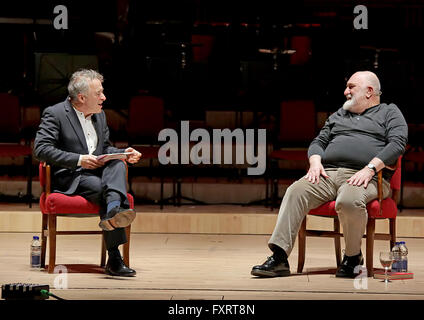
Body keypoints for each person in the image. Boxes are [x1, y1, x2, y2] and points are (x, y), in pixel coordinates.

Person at [251, 71, 408, 278]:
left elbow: (397, 144)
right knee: (295, 191)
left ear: (369, 91)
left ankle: (352, 258)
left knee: (349, 200)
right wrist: (315, 161)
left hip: (367, 176)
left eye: (351, 87)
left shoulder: (389, 112)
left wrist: (369, 168)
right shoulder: (339, 115)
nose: (346, 91)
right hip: (328, 174)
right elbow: (319, 141)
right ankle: (279, 258)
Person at [34, 69, 142, 277]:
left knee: (118, 164)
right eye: (99, 93)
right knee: (106, 190)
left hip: (98, 174)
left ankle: (112, 210)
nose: (104, 97)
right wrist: (79, 160)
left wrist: (123, 153)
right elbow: (41, 149)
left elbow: (105, 149)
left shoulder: (99, 116)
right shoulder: (55, 114)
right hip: (72, 176)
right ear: (82, 97)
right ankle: (114, 257)